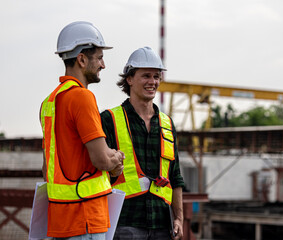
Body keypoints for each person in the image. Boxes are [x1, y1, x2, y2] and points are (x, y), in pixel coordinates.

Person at [40, 21, 124, 239]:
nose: (103, 65)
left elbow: (47, 167)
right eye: (99, 57)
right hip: (86, 216)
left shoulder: (50, 102)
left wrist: (109, 157)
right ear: (81, 59)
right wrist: (116, 159)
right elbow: (101, 160)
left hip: (61, 217)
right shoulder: (82, 97)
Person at [100, 46, 185, 240]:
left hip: (162, 224)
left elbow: (175, 176)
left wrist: (178, 218)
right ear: (129, 79)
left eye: (156, 76)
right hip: (123, 221)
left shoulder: (167, 124)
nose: (152, 82)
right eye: (146, 75)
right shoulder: (109, 119)